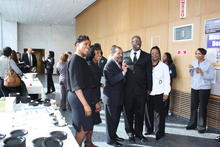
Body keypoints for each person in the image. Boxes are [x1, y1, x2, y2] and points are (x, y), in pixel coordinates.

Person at [123, 36, 152, 143]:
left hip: (141, 91)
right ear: (132, 43)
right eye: (136, 41)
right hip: (127, 90)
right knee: (128, 112)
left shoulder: (147, 56)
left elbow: (149, 73)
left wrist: (149, 88)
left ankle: (139, 133)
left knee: (140, 113)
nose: (138, 43)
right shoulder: (124, 54)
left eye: (139, 41)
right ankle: (130, 133)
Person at [67, 35, 93, 146]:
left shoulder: (80, 59)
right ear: (77, 45)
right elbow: (76, 86)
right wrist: (86, 105)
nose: (88, 47)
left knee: (84, 127)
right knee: (82, 129)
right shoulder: (75, 60)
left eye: (89, 45)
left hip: (81, 97)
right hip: (78, 98)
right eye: (85, 44)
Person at [186, 48, 215, 133]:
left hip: (204, 88)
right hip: (194, 87)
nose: (197, 55)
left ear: (203, 54)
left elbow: (211, 77)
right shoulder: (194, 62)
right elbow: (192, 75)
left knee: (202, 108)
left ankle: (202, 127)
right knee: (193, 107)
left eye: (199, 54)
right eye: (196, 53)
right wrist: (190, 70)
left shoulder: (209, 64)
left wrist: (202, 72)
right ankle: (192, 124)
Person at [103, 45, 127, 146]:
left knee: (116, 119)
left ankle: (114, 135)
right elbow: (112, 80)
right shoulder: (108, 65)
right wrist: (123, 73)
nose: (121, 55)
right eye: (118, 53)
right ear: (113, 54)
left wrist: (122, 70)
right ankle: (110, 140)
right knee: (111, 121)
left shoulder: (117, 63)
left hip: (118, 97)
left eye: (122, 53)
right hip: (111, 98)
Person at [147, 46, 171, 140]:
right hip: (148, 93)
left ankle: (159, 132)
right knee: (148, 113)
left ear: (159, 54)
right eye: (152, 53)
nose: (154, 55)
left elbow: (167, 80)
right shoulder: (147, 65)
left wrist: (166, 93)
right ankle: (149, 129)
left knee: (159, 114)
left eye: (156, 53)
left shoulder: (164, 66)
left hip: (159, 92)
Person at [85, 44, 103, 147]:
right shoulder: (89, 65)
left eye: (100, 52)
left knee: (91, 123)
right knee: (88, 123)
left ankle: (88, 142)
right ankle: (87, 143)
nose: (99, 55)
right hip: (90, 99)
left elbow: (94, 81)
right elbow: (90, 86)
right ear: (92, 54)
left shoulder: (95, 64)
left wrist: (99, 83)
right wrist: (96, 102)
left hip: (94, 96)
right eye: (97, 53)